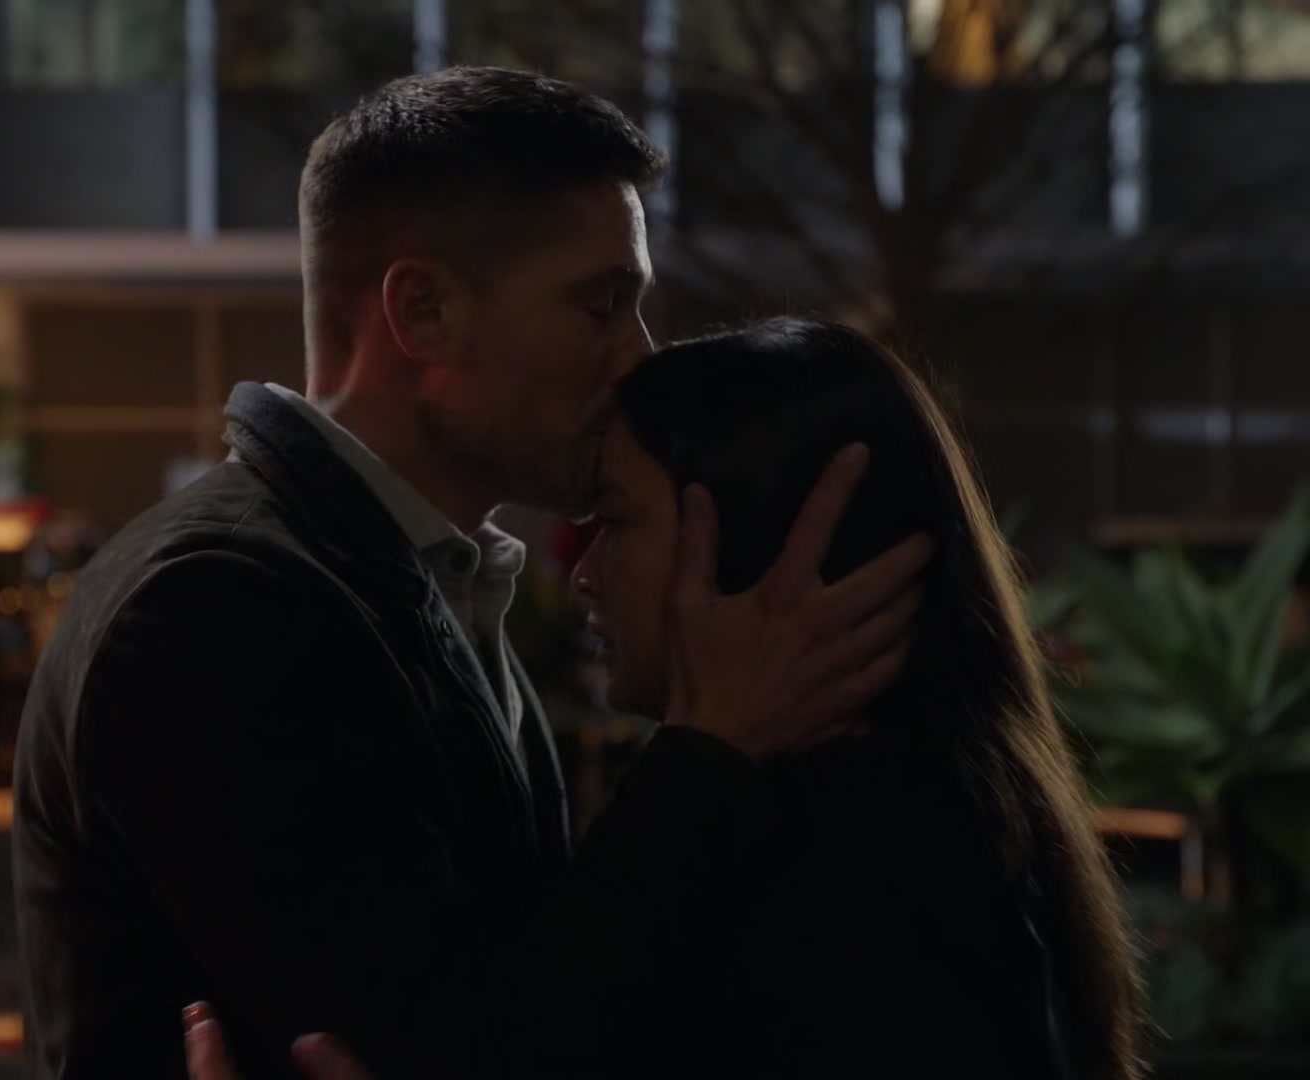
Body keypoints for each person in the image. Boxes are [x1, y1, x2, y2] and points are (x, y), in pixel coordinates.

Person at [11, 68, 929, 1079]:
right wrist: (712, 753)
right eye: (602, 305)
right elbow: (455, 1051)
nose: (639, 357)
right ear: (426, 311)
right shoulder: (219, 608)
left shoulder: (413, 576)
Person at [183, 319, 1148, 1080]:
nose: (586, 574)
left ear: (759, 551)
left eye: (619, 522)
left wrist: (699, 761)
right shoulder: (892, 809)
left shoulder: (867, 868)